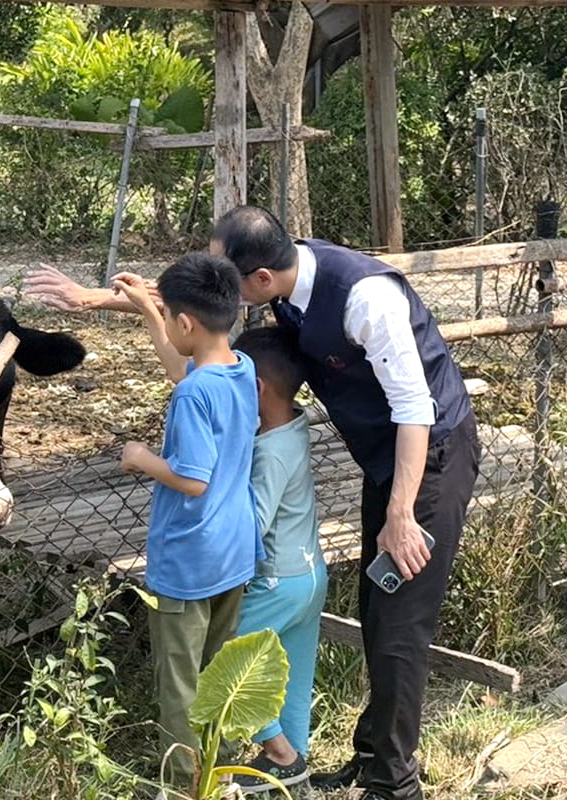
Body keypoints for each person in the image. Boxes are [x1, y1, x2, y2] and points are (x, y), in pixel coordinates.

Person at [211, 206, 481, 800]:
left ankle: (395, 785)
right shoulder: (290, 283)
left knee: (399, 623)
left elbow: (415, 408)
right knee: (376, 609)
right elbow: (196, 303)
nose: (225, 293)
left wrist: (402, 514)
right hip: (388, 458)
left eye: (229, 281)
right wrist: (110, 301)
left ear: (261, 278)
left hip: (430, 456)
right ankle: (374, 755)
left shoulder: (365, 298)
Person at [111, 253, 260, 798]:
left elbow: (192, 479)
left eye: (171, 317)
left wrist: (141, 458)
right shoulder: (240, 368)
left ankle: (182, 787)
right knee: (220, 673)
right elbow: (183, 366)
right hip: (233, 551)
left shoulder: (194, 394)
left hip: (188, 559)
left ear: (188, 323)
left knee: (180, 685)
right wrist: (150, 310)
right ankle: (222, 774)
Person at [227, 325, 327, 794]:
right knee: (294, 676)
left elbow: (255, 523)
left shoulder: (268, 452)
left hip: (276, 580)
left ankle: (278, 751)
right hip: (310, 574)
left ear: (256, 387)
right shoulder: (293, 427)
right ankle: (293, 766)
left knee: (227, 658)